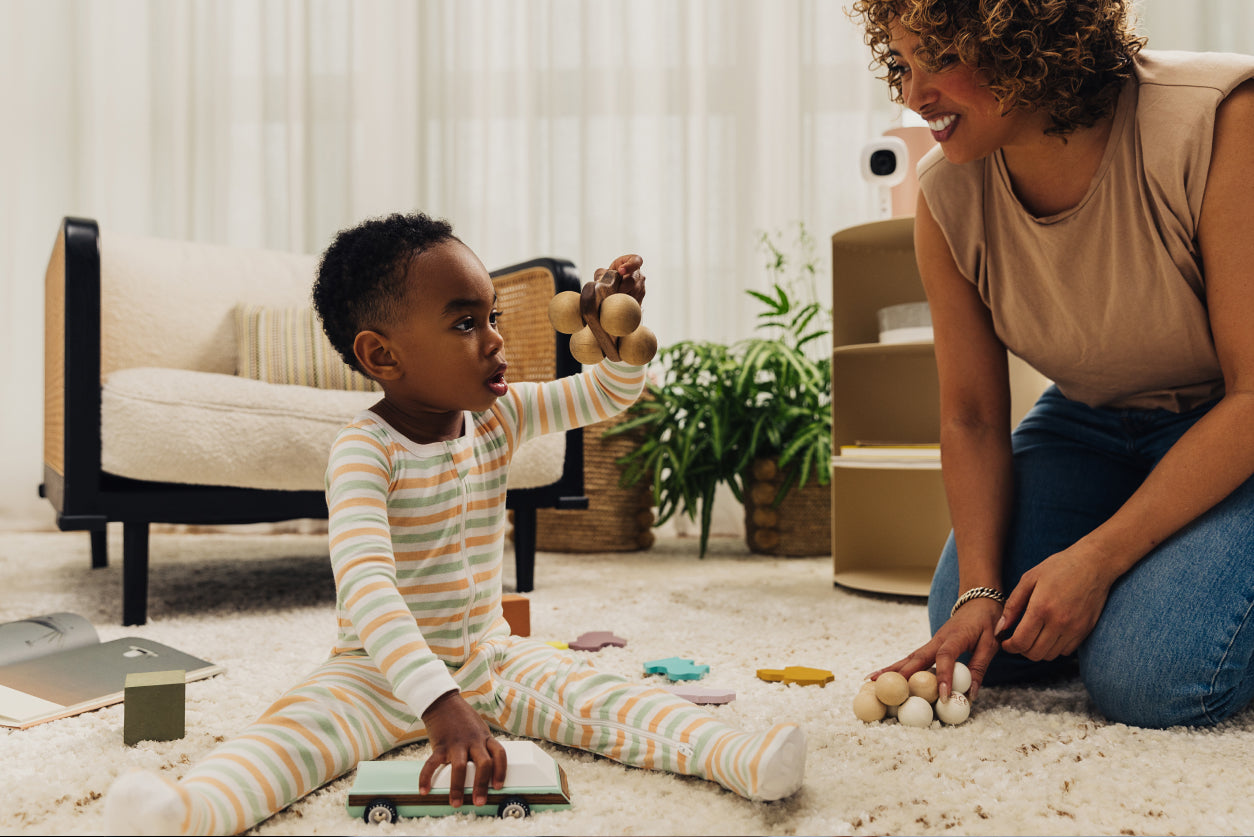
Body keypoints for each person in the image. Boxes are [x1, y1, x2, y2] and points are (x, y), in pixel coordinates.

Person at [104, 213, 805, 835]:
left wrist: (609, 337)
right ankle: (188, 809)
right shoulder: (362, 452)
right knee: (290, 737)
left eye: (493, 316)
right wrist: (438, 701)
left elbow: (607, 394)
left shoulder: (498, 415)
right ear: (383, 355)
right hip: (374, 674)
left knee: (609, 697)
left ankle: (736, 756)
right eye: (467, 323)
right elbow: (369, 592)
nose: (497, 339)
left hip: (490, 656)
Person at [850, 0, 1254, 728]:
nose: (913, 94)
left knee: (1152, 678)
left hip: (1234, 416)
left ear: (1026, 43)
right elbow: (971, 415)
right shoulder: (947, 194)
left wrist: (1098, 559)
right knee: (970, 624)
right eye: (903, 65)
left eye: (939, 58)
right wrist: (979, 589)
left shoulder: (1217, 120)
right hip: (1089, 419)